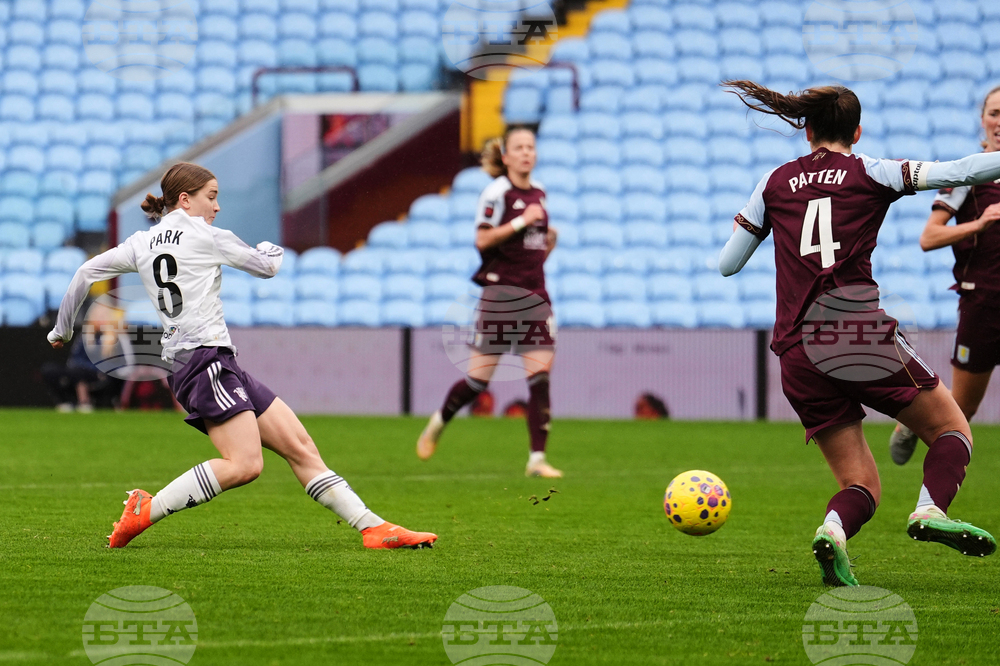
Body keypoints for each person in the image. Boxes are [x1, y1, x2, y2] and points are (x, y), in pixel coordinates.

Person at [47, 162, 437, 550]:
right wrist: (272, 247)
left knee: (300, 447)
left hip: (207, 362)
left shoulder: (140, 243)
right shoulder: (205, 235)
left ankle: (373, 528)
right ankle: (146, 509)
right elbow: (267, 267)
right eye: (211, 197)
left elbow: (85, 273)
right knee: (245, 464)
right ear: (185, 200)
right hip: (203, 362)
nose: (216, 208)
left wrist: (61, 330)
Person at [718, 80, 998, 586]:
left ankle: (833, 531)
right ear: (857, 130)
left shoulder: (774, 182)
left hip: (795, 352)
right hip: (855, 332)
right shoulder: (871, 171)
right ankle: (929, 511)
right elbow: (958, 172)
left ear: (807, 131)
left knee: (860, 481)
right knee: (952, 429)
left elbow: (727, 265)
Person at [416, 126, 562, 477]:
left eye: (531, 147)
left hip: (536, 294)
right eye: (519, 147)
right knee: (478, 381)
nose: (527, 152)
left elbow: (535, 246)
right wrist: (520, 223)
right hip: (500, 293)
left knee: (540, 377)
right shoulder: (497, 193)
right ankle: (438, 421)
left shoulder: (540, 192)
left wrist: (547, 239)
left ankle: (537, 460)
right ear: (507, 156)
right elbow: (482, 240)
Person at [889, 85, 1000, 464]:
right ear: (982, 120)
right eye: (994, 113)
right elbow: (928, 236)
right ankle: (913, 424)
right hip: (983, 304)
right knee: (961, 414)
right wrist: (978, 225)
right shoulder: (968, 174)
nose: (999, 123)